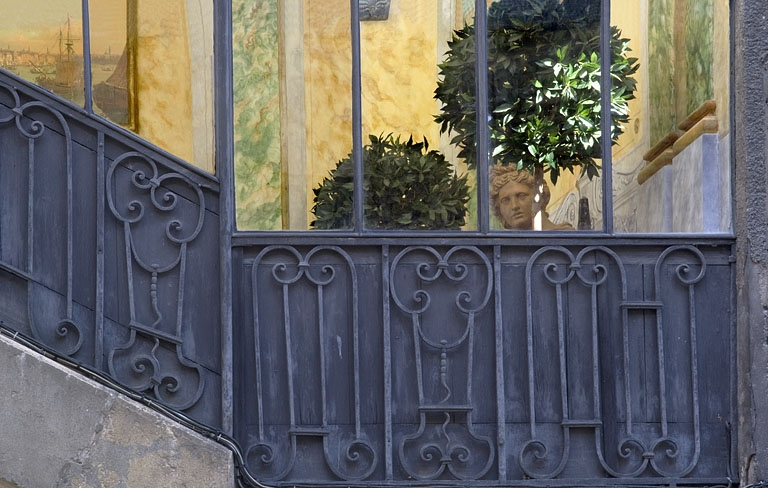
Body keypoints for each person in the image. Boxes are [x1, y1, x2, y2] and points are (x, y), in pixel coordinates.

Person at [489, 164, 574, 230]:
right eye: (505, 200)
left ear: (539, 197)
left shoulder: (566, 238)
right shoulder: (500, 246)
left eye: (521, 196)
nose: (514, 206)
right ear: (498, 208)